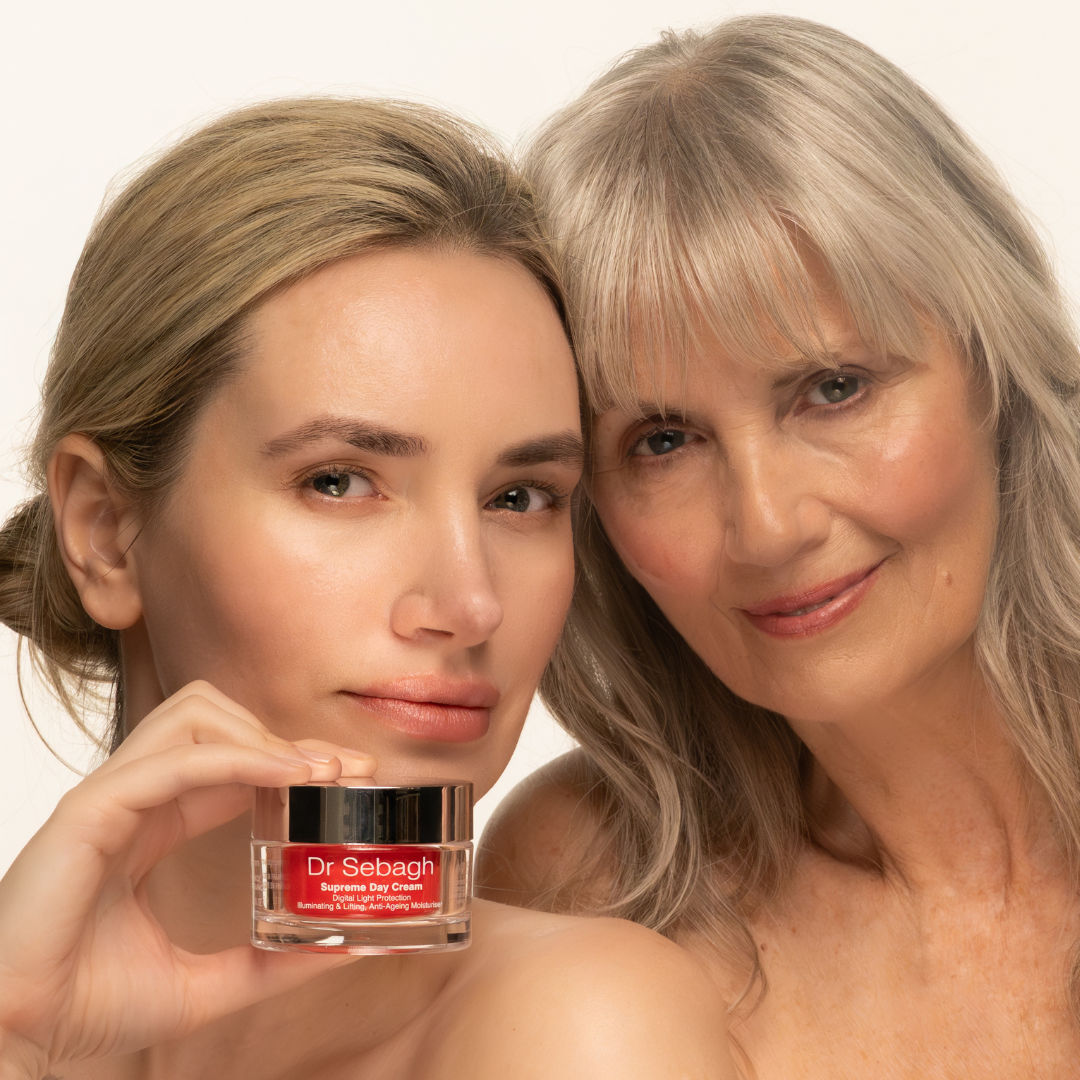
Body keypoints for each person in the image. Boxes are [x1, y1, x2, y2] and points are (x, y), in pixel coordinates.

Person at [0, 97, 732, 1079]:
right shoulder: (23, 1013)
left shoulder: (588, 1028)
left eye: (520, 497)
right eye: (340, 481)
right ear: (105, 532)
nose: (469, 603)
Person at [477, 15, 1080, 1075]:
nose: (767, 525)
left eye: (833, 389)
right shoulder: (587, 887)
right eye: (662, 441)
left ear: (991, 362)